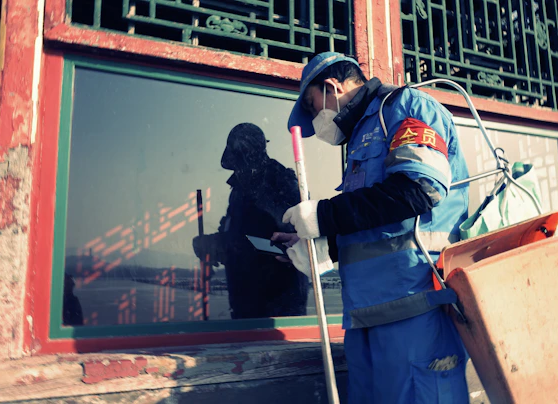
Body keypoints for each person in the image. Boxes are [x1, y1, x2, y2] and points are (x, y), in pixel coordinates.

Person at [273, 52, 470, 403]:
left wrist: (324, 215)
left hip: (414, 307)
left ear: (331, 87)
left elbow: (418, 189)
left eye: (312, 103)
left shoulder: (405, 108)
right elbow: (372, 224)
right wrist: (321, 244)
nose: (316, 117)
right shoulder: (361, 135)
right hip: (363, 315)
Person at [193, 123, 309, 319]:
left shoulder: (279, 183)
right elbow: (235, 232)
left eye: (239, 163)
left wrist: (224, 245)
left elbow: (290, 244)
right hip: (245, 303)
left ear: (250, 155)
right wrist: (209, 245)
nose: (236, 171)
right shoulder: (240, 190)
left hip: (276, 309)